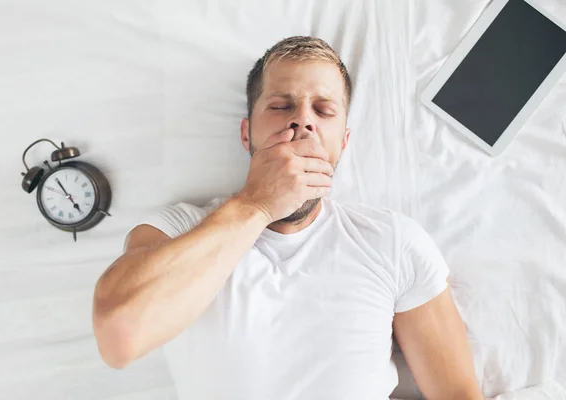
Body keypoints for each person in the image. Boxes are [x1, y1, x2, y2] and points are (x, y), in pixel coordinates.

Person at [92, 36, 483, 400]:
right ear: (247, 134)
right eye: (281, 106)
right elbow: (119, 336)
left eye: (323, 110)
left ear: (342, 143)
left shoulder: (393, 243)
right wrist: (255, 205)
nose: (303, 121)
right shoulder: (178, 230)